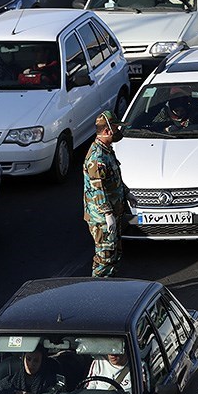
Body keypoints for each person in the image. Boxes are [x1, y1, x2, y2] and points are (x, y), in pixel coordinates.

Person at [83, 111, 133, 278]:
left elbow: (113, 179)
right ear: (107, 131)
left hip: (113, 211)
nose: (119, 131)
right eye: (116, 127)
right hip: (102, 219)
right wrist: (108, 214)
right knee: (104, 258)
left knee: (115, 253)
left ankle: (111, 288)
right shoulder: (97, 157)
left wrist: (127, 193)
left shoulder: (106, 150)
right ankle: (98, 292)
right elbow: (98, 189)